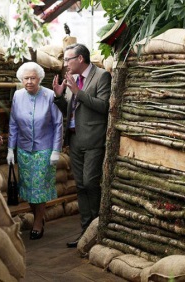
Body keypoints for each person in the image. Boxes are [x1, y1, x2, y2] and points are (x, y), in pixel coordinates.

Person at [52, 43, 111, 248]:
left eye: (68, 59)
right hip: (75, 140)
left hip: (93, 139)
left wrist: (78, 92)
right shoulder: (72, 79)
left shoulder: (101, 76)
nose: (65, 63)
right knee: (80, 186)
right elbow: (69, 110)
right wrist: (60, 96)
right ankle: (85, 232)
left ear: (80, 59)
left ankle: (97, 230)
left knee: (90, 184)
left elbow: (104, 107)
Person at [7, 62, 63, 240]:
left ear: (39, 78)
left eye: (32, 78)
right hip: (24, 150)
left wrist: (56, 150)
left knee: (40, 189)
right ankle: (39, 218)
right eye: (26, 78)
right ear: (21, 79)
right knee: (29, 189)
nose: (29, 81)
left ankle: (38, 222)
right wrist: (10, 148)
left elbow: (58, 124)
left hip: (44, 150)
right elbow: (13, 123)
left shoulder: (49, 95)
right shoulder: (18, 95)